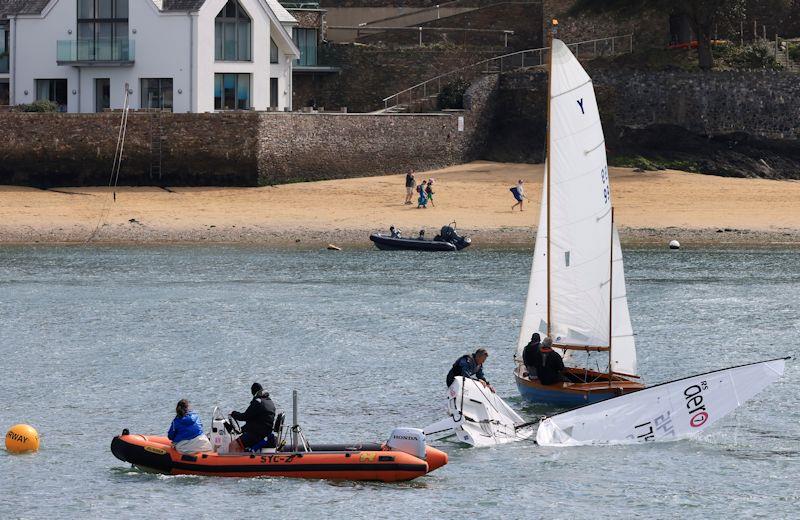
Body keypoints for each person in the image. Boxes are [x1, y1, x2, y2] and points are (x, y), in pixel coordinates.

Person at [229, 382, 276, 452]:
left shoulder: (258, 402)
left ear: (253, 392)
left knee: (233, 444)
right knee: (242, 440)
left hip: (257, 435)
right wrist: (242, 429)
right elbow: (256, 420)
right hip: (266, 433)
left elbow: (244, 416)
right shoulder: (269, 401)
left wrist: (233, 413)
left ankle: (232, 462)